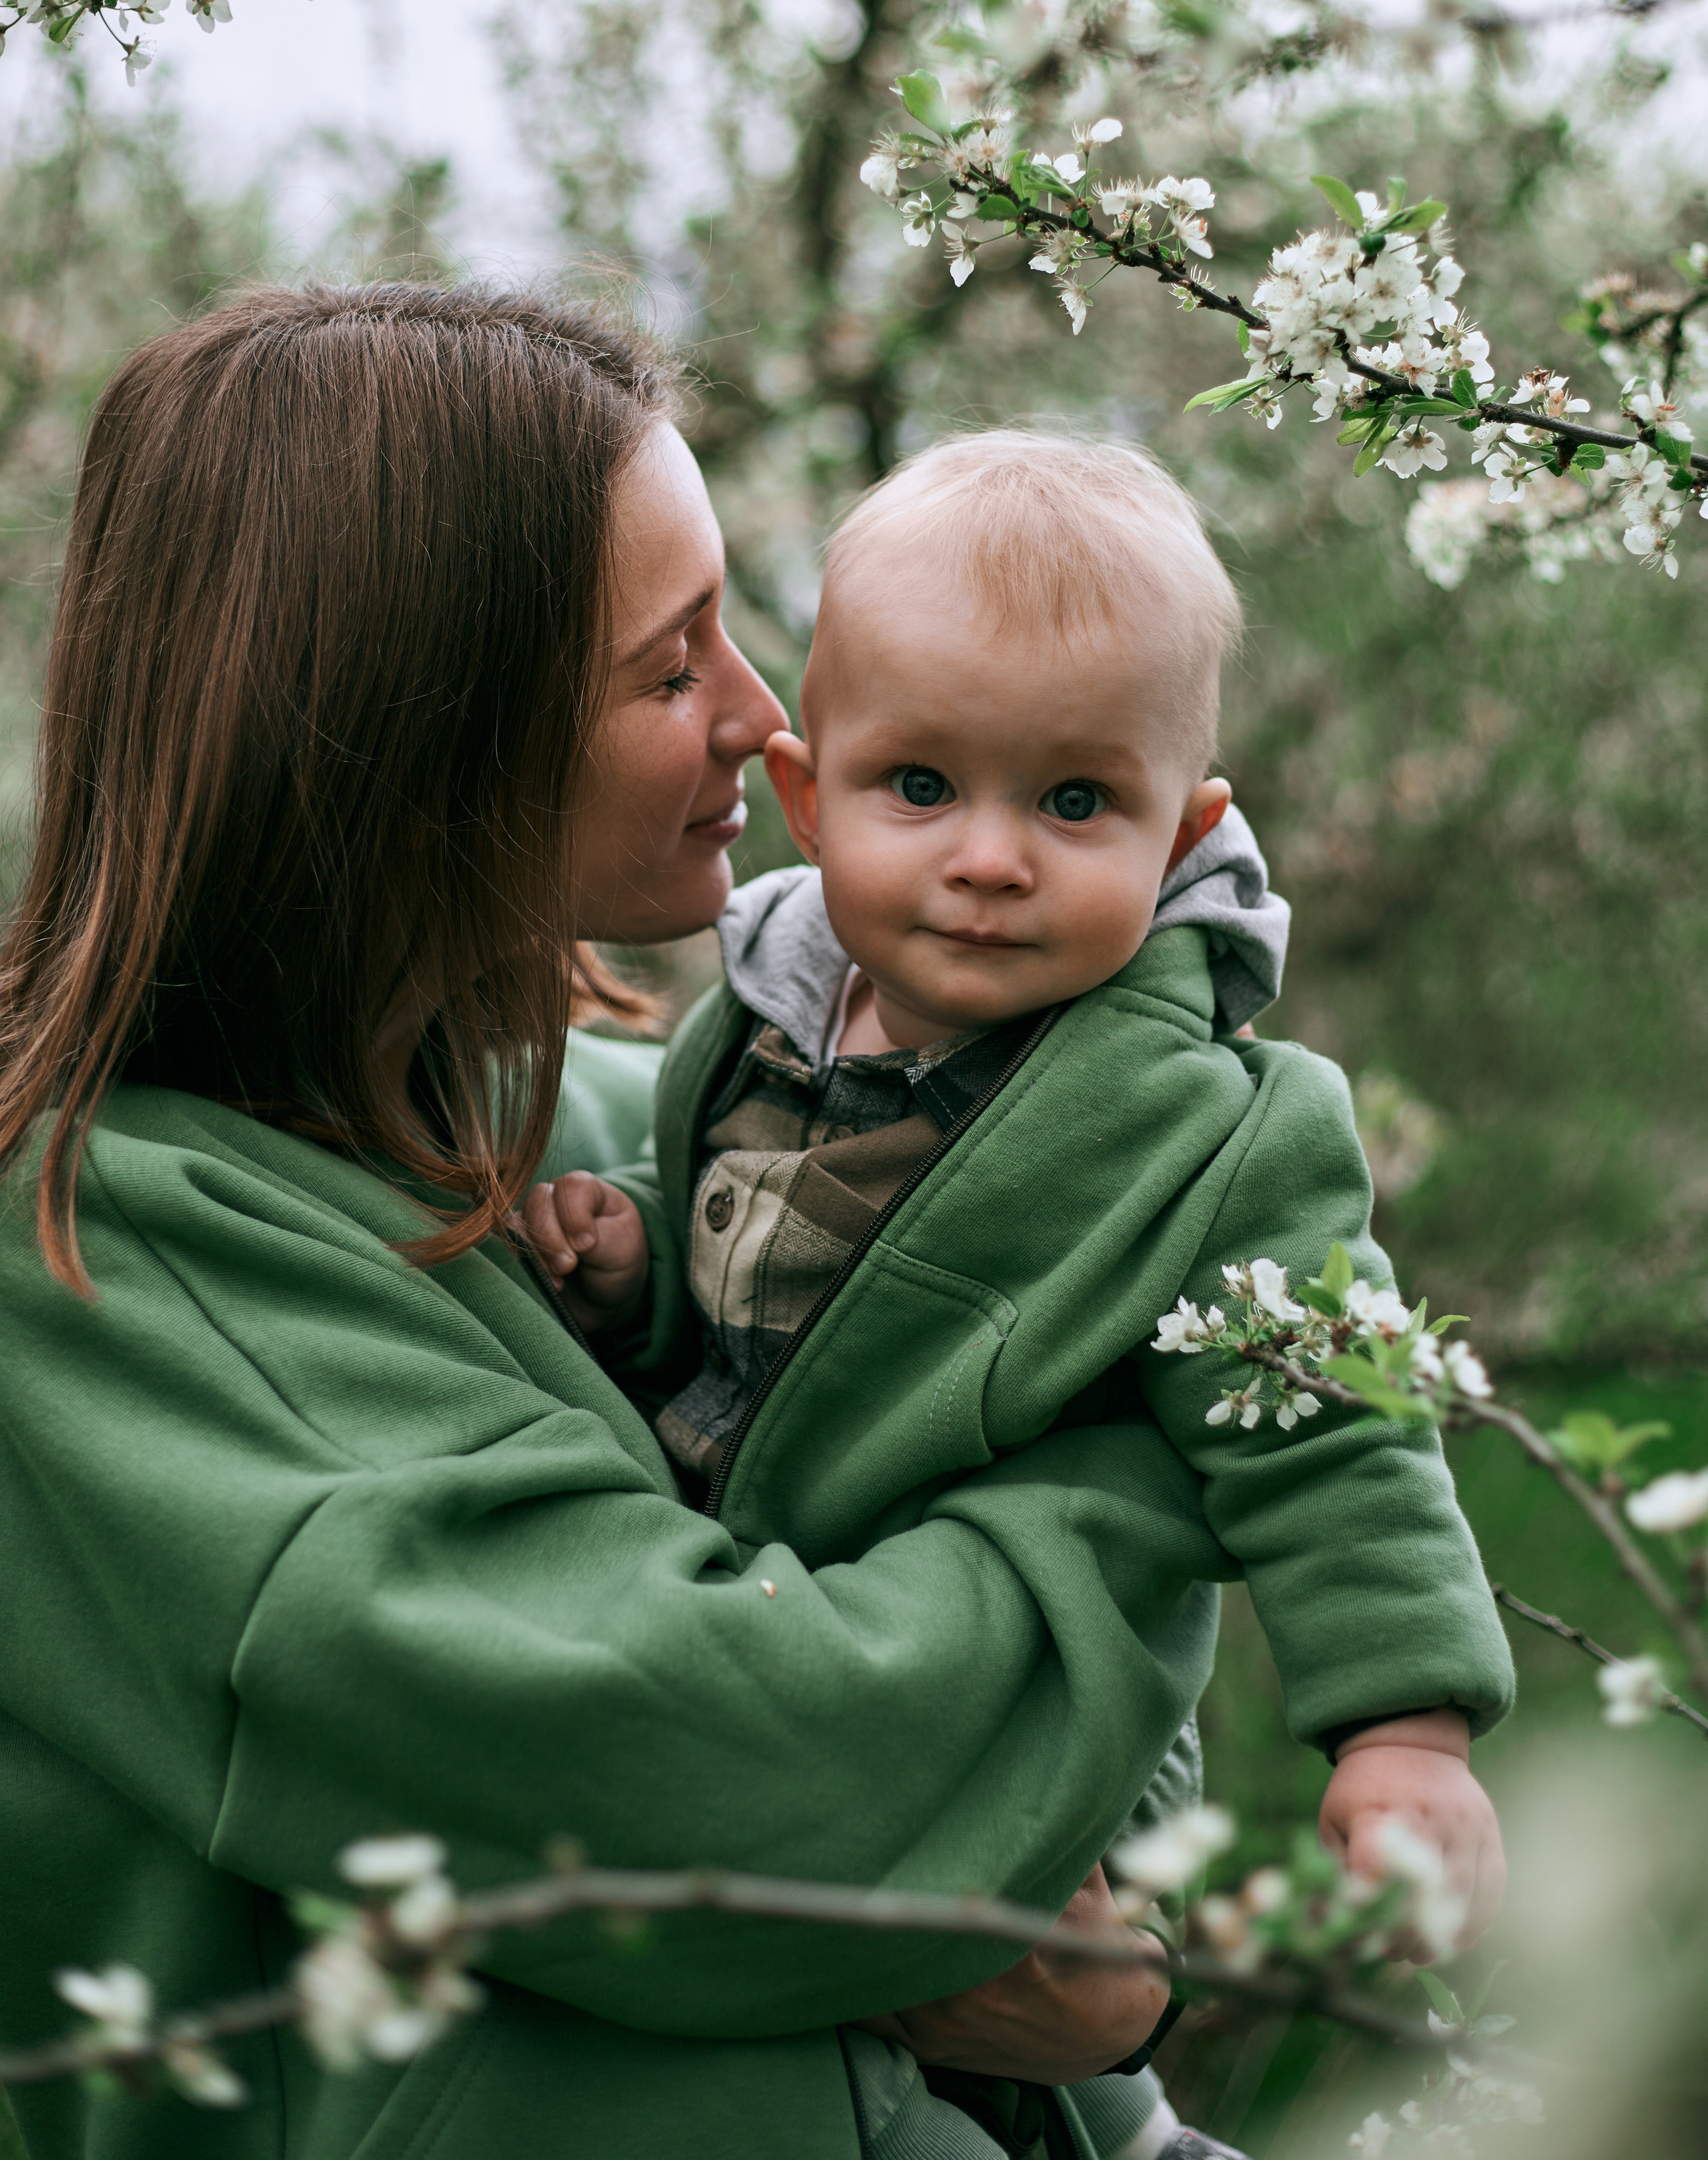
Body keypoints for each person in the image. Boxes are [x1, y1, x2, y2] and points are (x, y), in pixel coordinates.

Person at [0, 296, 1208, 2160]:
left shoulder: (638, 1141)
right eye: (669, 669)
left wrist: (1101, 1953)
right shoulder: (94, 1258)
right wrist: (1146, 1464)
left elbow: (1051, 1843)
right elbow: (747, 1782)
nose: (764, 711)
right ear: (414, 736)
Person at [524, 434, 1516, 2139]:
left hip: (1039, 1750)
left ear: (1185, 823)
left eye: (1072, 803)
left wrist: (1402, 1731)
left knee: (1008, 2068)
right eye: (921, 787)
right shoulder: (757, 1017)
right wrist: (624, 1273)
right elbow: (735, 1249)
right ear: (809, 790)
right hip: (769, 1659)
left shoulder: (1213, 1125)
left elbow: (1332, 1426)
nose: (988, 859)